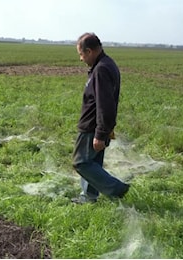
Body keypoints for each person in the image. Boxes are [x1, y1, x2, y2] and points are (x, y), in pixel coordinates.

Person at [72, 33, 130, 204]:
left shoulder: (101, 69)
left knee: (81, 162)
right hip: (97, 125)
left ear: (89, 51)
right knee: (93, 162)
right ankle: (89, 197)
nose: (81, 59)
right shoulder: (105, 64)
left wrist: (100, 133)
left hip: (92, 126)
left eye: (81, 54)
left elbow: (105, 104)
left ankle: (116, 188)